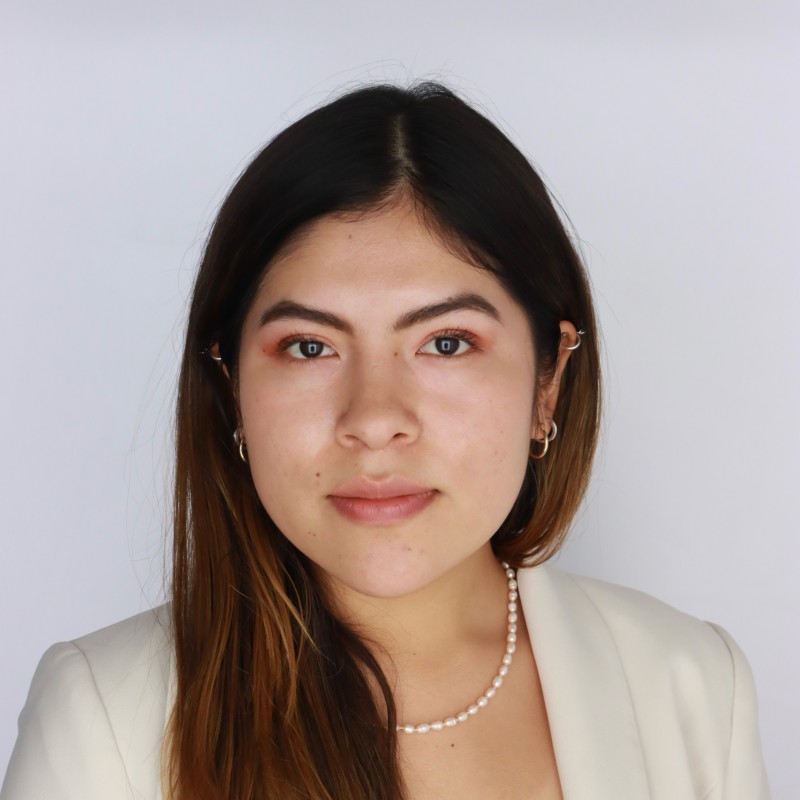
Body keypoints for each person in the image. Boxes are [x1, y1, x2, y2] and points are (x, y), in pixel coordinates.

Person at [1, 83, 770, 800]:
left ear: (549, 381)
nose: (374, 420)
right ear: (230, 385)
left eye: (446, 343)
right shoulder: (100, 717)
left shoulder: (694, 685)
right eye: (309, 347)